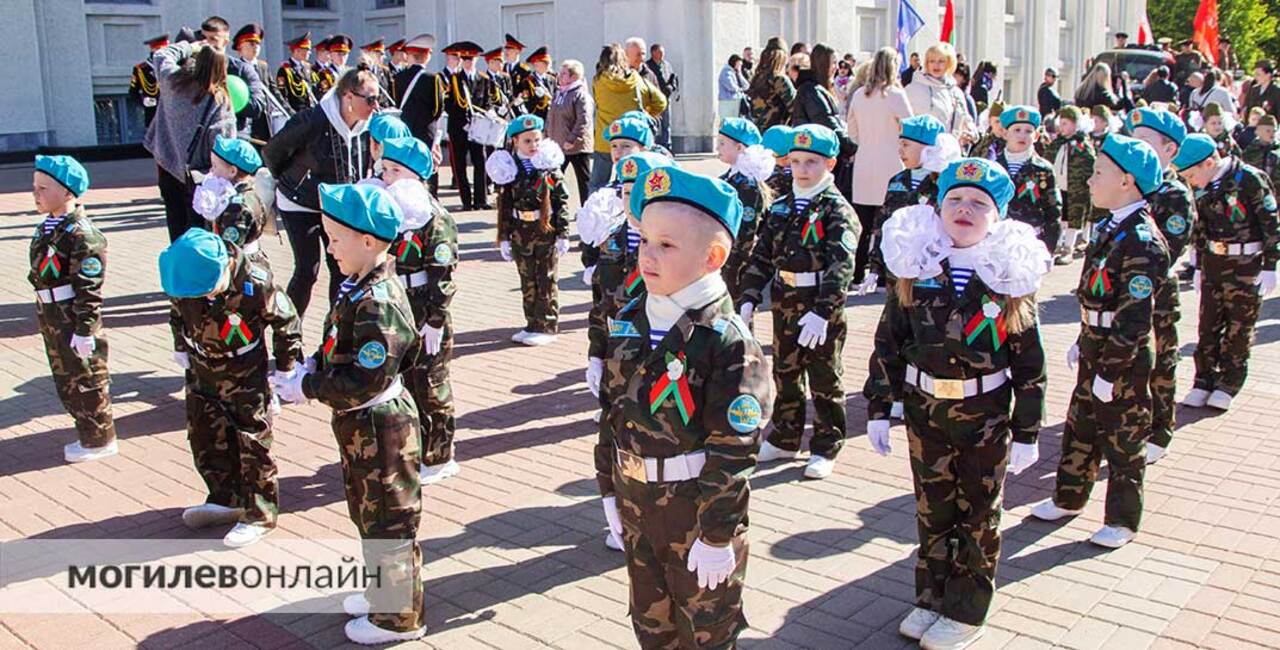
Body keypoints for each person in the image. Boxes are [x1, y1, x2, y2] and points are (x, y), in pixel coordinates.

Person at [867, 156, 1050, 650]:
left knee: (978, 514)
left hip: (985, 420)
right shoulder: (917, 268)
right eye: (954, 200)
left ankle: (967, 611)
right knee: (934, 512)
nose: (964, 209)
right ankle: (931, 596)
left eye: (978, 203)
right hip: (928, 416)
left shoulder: (1007, 278)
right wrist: (880, 408)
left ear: (998, 217)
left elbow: (1029, 364)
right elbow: (890, 341)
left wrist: (1028, 431)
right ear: (937, 208)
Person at [595, 164, 772, 649]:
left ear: (712, 256)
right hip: (637, 504)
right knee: (651, 624)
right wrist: (609, 487)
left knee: (705, 631)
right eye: (644, 241)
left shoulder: (728, 342)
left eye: (667, 246)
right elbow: (612, 411)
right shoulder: (631, 318)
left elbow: (733, 451)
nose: (647, 256)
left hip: (695, 510)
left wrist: (718, 534)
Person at [269, 183, 425, 644]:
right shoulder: (357, 287)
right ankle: (384, 595)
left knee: (389, 520)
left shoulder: (379, 301)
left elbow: (367, 377)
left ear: (370, 242)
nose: (330, 247)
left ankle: (398, 619)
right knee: (367, 512)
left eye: (337, 239)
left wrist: (309, 386)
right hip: (360, 423)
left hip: (382, 425)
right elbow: (341, 344)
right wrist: (315, 361)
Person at [1031, 134, 1170, 550]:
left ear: (1127, 181)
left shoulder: (1142, 239)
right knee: (1081, 426)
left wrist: (1111, 370)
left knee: (1124, 439)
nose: (1089, 181)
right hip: (1096, 341)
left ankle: (1122, 520)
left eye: (1098, 173)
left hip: (1121, 355)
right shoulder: (1113, 227)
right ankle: (1069, 496)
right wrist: (1082, 336)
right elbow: (1097, 293)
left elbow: (1134, 317)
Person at [160, 225, 301, 549]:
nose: (204, 298)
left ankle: (259, 513)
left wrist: (285, 369)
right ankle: (225, 497)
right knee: (205, 435)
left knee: (251, 441)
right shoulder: (183, 273)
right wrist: (180, 346)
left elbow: (286, 322)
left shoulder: (255, 281)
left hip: (243, 372)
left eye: (209, 290)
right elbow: (177, 311)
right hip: (200, 368)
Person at [739, 125, 859, 479]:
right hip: (785, 301)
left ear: (831, 164)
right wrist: (748, 296)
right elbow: (762, 255)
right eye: (795, 162)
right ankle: (786, 436)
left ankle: (826, 445)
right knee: (786, 371)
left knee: (824, 376)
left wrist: (824, 311)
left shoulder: (836, 209)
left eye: (812, 162)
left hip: (820, 303)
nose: (803, 169)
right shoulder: (782, 206)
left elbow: (842, 265)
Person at [1175, 134, 1280, 412]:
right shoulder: (1203, 186)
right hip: (1213, 262)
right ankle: (1203, 380)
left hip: (1246, 265)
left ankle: (1228, 384)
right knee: (1208, 324)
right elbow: (1199, 225)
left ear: (1209, 162)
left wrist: (1271, 265)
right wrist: (1197, 263)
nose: (1190, 180)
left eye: (1191, 174)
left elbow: (1270, 223)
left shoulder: (1249, 179)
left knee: (1238, 327)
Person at [262, 67, 378, 319]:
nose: (375, 105)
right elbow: (273, 152)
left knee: (342, 269)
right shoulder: (313, 120)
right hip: (299, 203)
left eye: (377, 98)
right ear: (348, 96)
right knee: (307, 269)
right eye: (369, 99)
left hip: (335, 206)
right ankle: (289, 332)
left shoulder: (366, 126)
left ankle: (335, 333)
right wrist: (296, 181)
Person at [378, 137, 461, 485]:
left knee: (431, 383)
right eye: (384, 169)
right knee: (406, 382)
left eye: (396, 170)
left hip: (425, 309)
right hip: (400, 309)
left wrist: (436, 319)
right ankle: (414, 446)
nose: (387, 178)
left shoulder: (432, 217)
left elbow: (443, 272)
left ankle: (440, 454)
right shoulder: (392, 213)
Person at [29, 155, 118, 463]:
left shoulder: (82, 234)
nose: (36, 194)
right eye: (34, 187)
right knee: (65, 379)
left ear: (67, 192)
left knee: (86, 377)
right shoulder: (49, 227)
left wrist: (85, 329)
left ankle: (100, 438)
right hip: (52, 315)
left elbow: (89, 288)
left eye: (43, 188)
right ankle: (86, 432)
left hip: (72, 315)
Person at [1126, 108, 1197, 466]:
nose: (1135, 148)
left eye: (1144, 142)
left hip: (1156, 296)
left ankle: (1159, 429)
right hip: (1122, 296)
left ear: (1169, 150)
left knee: (1160, 362)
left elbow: (1169, 248)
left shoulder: (1174, 193)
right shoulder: (1130, 183)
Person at [486, 115, 570, 345]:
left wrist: (563, 234)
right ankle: (532, 323)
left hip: (545, 230)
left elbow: (561, 201)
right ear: (515, 141)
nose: (533, 146)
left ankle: (547, 326)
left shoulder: (548, 167)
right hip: (520, 232)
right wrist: (503, 236)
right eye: (527, 141)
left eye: (536, 139)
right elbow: (505, 205)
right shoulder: (508, 169)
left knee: (546, 278)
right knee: (527, 279)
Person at [146, 39, 236, 242]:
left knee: (176, 229)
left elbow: (161, 55)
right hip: (200, 176)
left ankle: (178, 268)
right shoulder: (218, 98)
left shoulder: (171, 81)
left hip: (167, 167)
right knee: (199, 234)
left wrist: (189, 46)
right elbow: (223, 142)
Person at [857, 114, 956, 296]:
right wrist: (875, 268)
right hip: (897, 268)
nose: (900, 151)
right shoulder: (897, 180)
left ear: (929, 149)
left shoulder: (946, 184)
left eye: (906, 145)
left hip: (932, 270)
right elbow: (883, 225)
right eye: (900, 144)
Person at [848, 47, 914, 284]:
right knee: (890, 222)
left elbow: (852, 132)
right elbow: (910, 127)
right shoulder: (895, 95)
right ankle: (885, 274)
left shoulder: (858, 96)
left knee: (863, 225)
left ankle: (856, 273)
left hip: (865, 162)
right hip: (891, 162)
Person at [589, 43, 667, 192]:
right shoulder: (635, 79)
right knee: (631, 182)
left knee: (597, 184)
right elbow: (661, 101)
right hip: (631, 140)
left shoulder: (598, 81)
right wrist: (648, 111)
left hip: (605, 139)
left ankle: (594, 212)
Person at [715, 117, 774, 300]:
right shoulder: (728, 179)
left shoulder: (748, 186)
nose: (718, 148)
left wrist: (731, 264)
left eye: (723, 143)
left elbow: (746, 233)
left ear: (740, 147)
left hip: (735, 263)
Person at [193, 135, 270, 268]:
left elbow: (230, 249)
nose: (211, 171)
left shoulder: (238, 206)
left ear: (232, 171)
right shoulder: (245, 193)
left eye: (215, 166)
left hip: (241, 271)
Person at [995, 106, 1061, 255]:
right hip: (997, 239)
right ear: (1004, 133)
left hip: (1030, 239)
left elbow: (1053, 211)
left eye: (1028, 131)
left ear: (1037, 136)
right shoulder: (993, 167)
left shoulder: (1043, 169)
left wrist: (1048, 248)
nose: (1022, 136)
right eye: (1016, 130)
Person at [442, 41, 496, 211]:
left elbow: (487, 102)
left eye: (471, 59)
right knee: (460, 165)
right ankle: (466, 201)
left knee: (480, 161)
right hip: (459, 129)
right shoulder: (454, 79)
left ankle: (481, 199)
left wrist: (486, 115)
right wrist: (464, 122)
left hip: (478, 128)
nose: (468, 62)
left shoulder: (483, 79)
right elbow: (448, 105)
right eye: (465, 59)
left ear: (476, 60)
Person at [392, 34, 446, 197]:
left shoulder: (398, 78)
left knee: (406, 168)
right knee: (427, 170)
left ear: (409, 55)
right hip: (426, 132)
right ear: (427, 56)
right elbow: (438, 109)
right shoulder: (433, 79)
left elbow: (396, 103)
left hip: (405, 131)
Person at [1044, 106, 1096, 265]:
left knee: (1073, 217)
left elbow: (1089, 164)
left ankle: (1068, 248)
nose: (1061, 127)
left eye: (1065, 123)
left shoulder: (1082, 145)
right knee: (1060, 216)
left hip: (1075, 188)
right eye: (1061, 123)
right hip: (1058, 186)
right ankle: (1057, 244)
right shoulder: (1057, 143)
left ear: (1075, 124)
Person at [547, 59, 595, 206]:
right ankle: (553, 210)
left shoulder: (580, 95)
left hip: (576, 147)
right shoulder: (559, 93)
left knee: (584, 181)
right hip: (558, 145)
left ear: (574, 77)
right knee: (552, 179)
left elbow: (583, 121)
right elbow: (551, 117)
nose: (559, 76)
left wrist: (572, 139)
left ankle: (587, 210)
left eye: (564, 74)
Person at [905, 43, 977, 141]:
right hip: (920, 150)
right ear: (927, 63)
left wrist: (971, 132)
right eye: (932, 61)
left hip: (949, 150)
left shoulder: (955, 92)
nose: (936, 65)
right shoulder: (913, 89)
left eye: (941, 61)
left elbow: (965, 119)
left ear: (949, 63)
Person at [746, 45, 797, 131]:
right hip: (777, 132)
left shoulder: (757, 78)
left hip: (758, 130)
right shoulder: (779, 79)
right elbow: (795, 107)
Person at [129, 34, 169, 127]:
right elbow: (133, 92)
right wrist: (144, 102)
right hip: (153, 114)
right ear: (154, 50)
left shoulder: (174, 65)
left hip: (171, 112)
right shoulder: (141, 69)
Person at [645, 44, 679, 150]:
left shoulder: (666, 65)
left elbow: (673, 77)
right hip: (653, 99)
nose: (662, 55)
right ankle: (651, 143)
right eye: (660, 52)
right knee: (653, 122)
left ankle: (667, 144)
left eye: (663, 53)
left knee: (666, 122)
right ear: (653, 53)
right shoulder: (647, 66)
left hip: (665, 97)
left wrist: (671, 87)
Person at [277, 32, 317, 114]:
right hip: (295, 111)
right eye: (306, 50)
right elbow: (282, 94)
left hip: (310, 111)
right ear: (297, 50)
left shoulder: (308, 67)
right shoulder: (285, 69)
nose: (310, 53)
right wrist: (289, 112)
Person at [1243, 114, 1280, 188]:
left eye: (1274, 131)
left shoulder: (1278, 150)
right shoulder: (1250, 150)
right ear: (1258, 132)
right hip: (1254, 189)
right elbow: (1243, 169)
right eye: (1268, 131)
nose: (1272, 134)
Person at [718, 54, 749, 121]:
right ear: (734, 63)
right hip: (727, 101)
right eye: (739, 64)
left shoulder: (736, 73)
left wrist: (740, 73)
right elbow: (731, 87)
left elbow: (746, 85)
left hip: (736, 101)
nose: (740, 66)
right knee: (727, 121)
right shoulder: (726, 72)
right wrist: (740, 89)